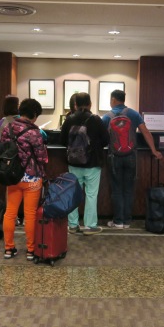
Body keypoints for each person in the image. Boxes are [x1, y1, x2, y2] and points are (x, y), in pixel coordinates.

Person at [101, 89, 162, 229]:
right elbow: (145, 132)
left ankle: (118, 221)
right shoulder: (133, 114)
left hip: (114, 157)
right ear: (124, 99)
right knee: (128, 189)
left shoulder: (107, 117)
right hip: (131, 156)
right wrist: (154, 150)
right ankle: (127, 221)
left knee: (116, 189)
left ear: (113, 100)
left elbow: (102, 137)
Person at [0, 98, 48, 260]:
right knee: (30, 214)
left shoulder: (8, 128)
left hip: (12, 176)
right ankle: (31, 251)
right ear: (33, 114)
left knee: (10, 213)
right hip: (31, 178)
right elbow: (42, 157)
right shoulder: (34, 133)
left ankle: (9, 248)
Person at [60, 92, 109, 235]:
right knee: (91, 194)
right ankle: (89, 226)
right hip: (93, 163)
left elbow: (62, 140)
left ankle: (73, 225)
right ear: (90, 104)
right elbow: (106, 140)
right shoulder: (95, 119)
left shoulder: (69, 119)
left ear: (75, 104)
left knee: (73, 193)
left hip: (74, 162)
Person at [0, 95, 19, 165]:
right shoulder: (21, 122)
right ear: (16, 107)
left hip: (4, 160)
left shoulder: (1, 123)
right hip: (18, 160)